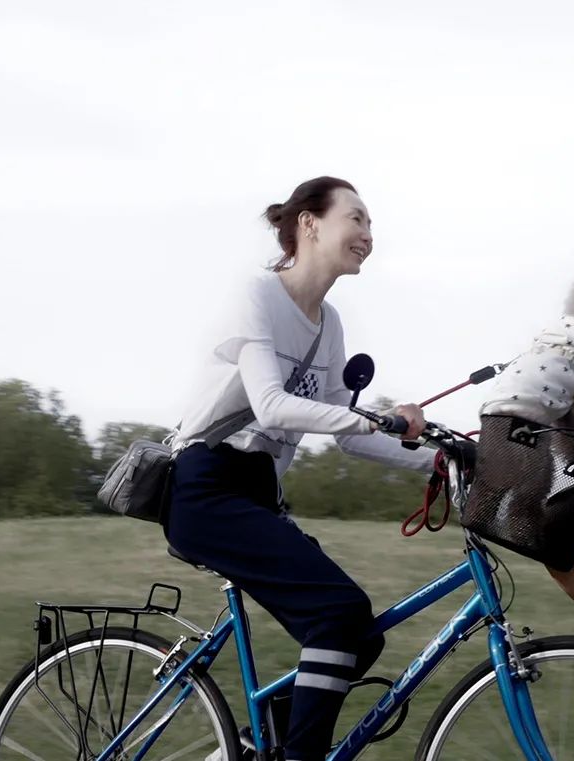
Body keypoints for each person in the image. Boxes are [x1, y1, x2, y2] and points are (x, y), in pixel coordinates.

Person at [165, 176, 436, 761]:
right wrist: (375, 418)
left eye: (370, 223)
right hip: (207, 488)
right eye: (356, 218)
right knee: (336, 614)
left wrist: (442, 462)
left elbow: (352, 438)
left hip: (258, 496)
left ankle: (252, 745)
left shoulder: (329, 323)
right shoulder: (258, 295)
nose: (368, 233)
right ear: (309, 224)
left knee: (359, 633)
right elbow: (271, 405)